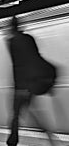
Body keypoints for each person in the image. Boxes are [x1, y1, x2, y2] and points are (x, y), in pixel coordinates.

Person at [6, 16, 58, 146]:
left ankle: (12, 142)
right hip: (30, 86)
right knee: (28, 113)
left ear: (12, 28)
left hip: (20, 87)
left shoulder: (12, 42)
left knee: (16, 117)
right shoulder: (28, 39)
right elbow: (36, 58)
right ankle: (49, 135)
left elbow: (18, 65)